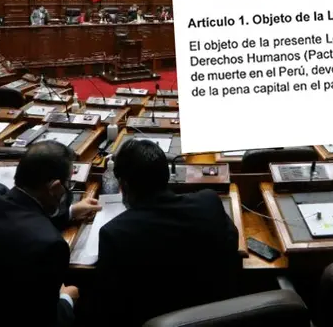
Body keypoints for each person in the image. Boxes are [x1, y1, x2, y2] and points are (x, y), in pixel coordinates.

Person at [0, 141, 101, 326]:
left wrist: (70, 212)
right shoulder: (51, 245)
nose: (69, 188)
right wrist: (67, 299)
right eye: (68, 183)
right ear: (54, 187)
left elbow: (21, 217)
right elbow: (46, 320)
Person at [94, 139, 241, 325]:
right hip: (215, 317)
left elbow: (108, 304)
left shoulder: (113, 234)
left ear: (124, 185)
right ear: (167, 175)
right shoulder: (209, 202)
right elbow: (232, 243)